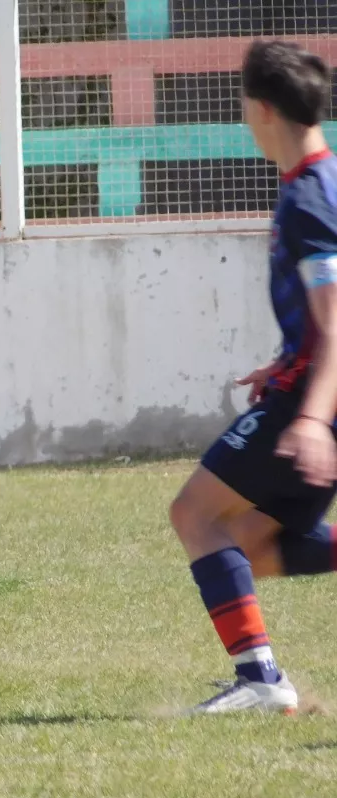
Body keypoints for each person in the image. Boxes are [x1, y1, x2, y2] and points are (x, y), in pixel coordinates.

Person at [169, 39, 337, 715]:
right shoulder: (314, 186)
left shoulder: (311, 199)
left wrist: (310, 418)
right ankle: (261, 677)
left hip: (313, 402)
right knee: (250, 546)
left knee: (194, 514)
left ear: (262, 109)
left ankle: (262, 681)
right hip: (306, 389)